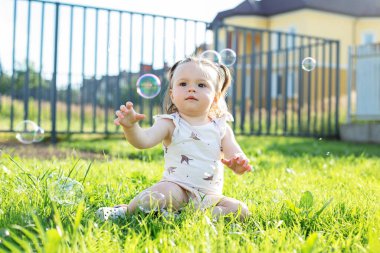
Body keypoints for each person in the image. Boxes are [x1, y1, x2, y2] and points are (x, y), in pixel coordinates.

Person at [96, 56, 252, 221]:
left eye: (201, 85)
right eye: (183, 84)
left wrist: (238, 165)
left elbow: (236, 154)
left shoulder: (221, 128)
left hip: (209, 197)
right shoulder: (170, 123)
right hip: (177, 189)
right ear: (172, 94)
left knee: (241, 210)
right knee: (159, 193)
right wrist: (130, 127)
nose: (191, 89)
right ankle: (126, 211)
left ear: (215, 97)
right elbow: (143, 140)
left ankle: (190, 217)